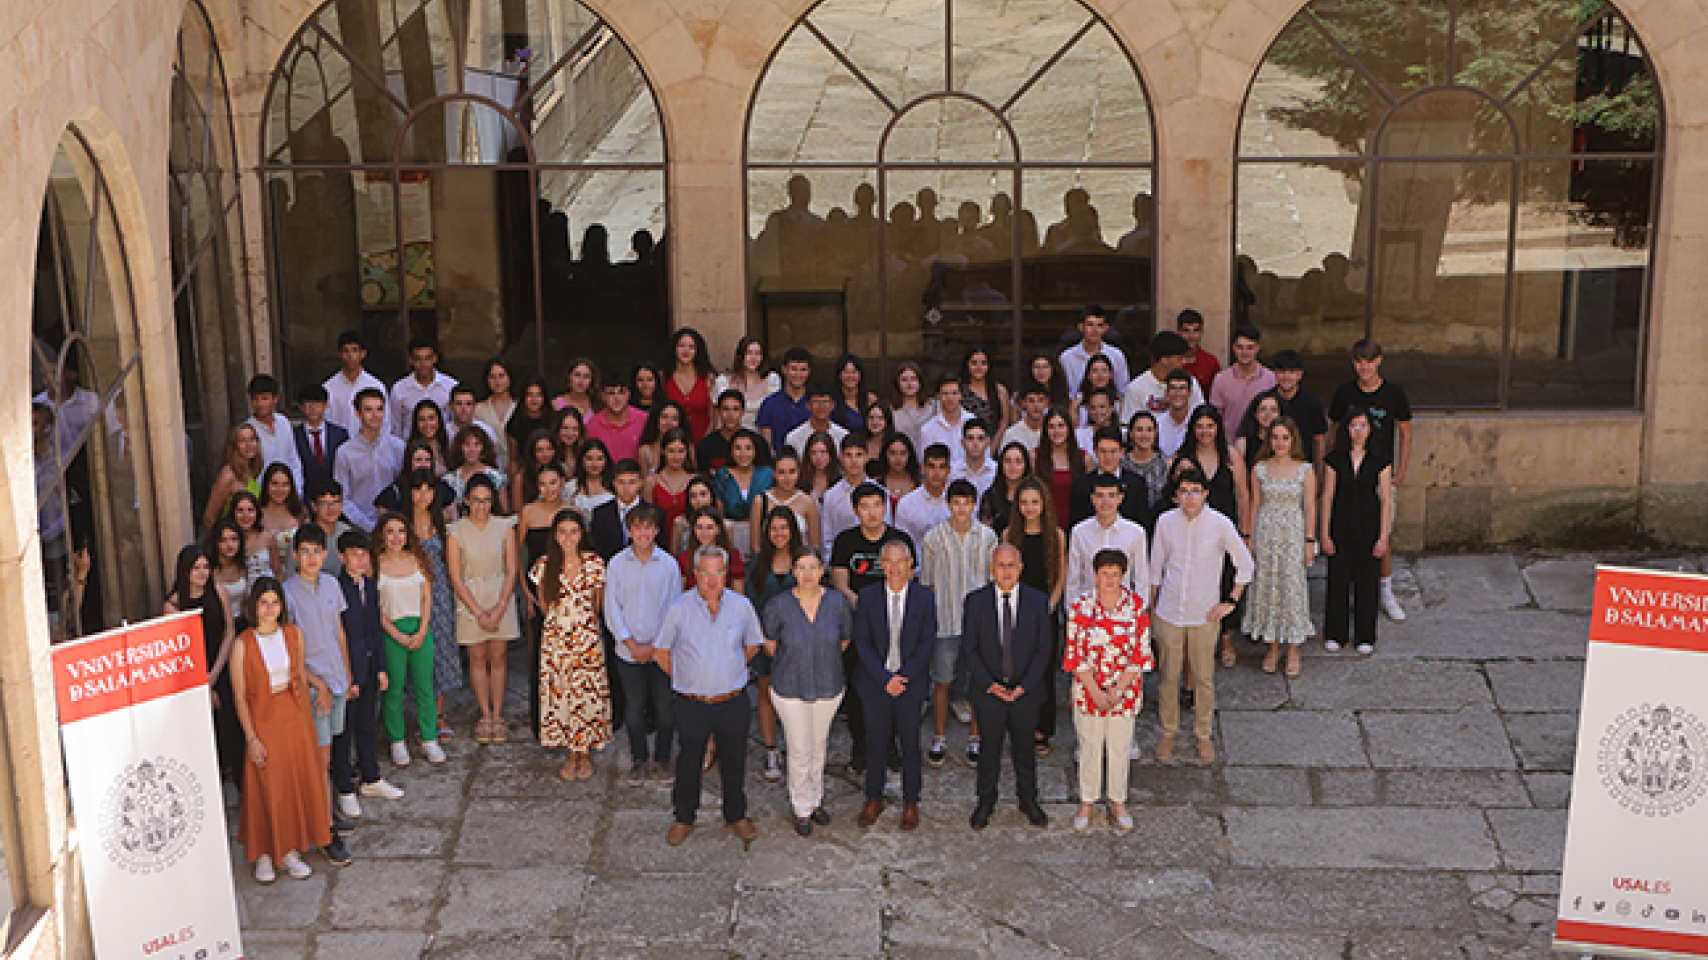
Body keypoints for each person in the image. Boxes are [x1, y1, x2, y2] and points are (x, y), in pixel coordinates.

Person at [654, 546, 764, 845]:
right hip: (693, 703)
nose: (712, 580)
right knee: (689, 762)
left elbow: (753, 644)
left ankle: (736, 814)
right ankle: (684, 817)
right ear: (695, 575)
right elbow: (661, 651)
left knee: (735, 760)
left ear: (726, 574)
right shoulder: (678, 608)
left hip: (732, 700)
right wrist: (686, 677)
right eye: (706, 572)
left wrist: (729, 670)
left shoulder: (741, 606)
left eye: (718, 572)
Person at [1149, 468, 1253, 765]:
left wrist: (1230, 601)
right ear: (1176, 495)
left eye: (1196, 491)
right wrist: (1151, 609)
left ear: (1205, 493)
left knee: (1204, 677)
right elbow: (1155, 569)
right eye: (1184, 491)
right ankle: (1168, 730)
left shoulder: (1220, 524)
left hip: (1204, 613)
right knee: (1168, 677)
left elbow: (1245, 565)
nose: (1190, 497)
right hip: (1169, 611)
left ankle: (1203, 733)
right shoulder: (1165, 522)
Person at [232, 577, 332, 883]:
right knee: (266, 785)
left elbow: (299, 673)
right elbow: (239, 695)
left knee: (292, 784)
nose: (269, 608)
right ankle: (264, 853)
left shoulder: (293, 634)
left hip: (294, 716)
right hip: (263, 719)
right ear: (254, 606)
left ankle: (289, 851)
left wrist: (321, 685)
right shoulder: (243, 644)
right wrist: (251, 737)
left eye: (275, 602)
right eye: (263, 602)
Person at [761, 549, 853, 836]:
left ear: (823, 569)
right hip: (790, 687)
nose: (807, 574)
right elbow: (770, 645)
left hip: (828, 684)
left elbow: (844, 640)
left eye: (813, 567)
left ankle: (816, 801)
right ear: (793, 572)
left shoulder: (837, 603)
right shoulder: (778, 605)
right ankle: (801, 807)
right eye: (801, 568)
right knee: (799, 748)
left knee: (819, 744)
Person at [962, 545, 1053, 829]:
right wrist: (990, 685)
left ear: (1021, 567)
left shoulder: (1037, 602)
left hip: (1026, 693)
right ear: (991, 568)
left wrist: (1024, 686)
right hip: (989, 694)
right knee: (989, 749)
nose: (1006, 571)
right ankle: (985, 800)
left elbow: (1044, 648)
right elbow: (970, 649)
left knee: (1025, 748)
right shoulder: (975, 602)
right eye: (1000, 565)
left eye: (1011, 564)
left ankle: (1028, 799)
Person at [280, 525, 355, 864]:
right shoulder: (287, 593)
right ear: (295, 555)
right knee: (320, 758)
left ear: (325, 555)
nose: (311, 558)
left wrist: (348, 674)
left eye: (317, 551)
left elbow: (339, 630)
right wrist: (316, 683)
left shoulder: (331, 583)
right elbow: (287, 648)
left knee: (332, 748)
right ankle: (325, 830)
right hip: (313, 685)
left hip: (337, 678)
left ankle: (323, 812)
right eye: (305, 551)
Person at [1064, 549, 1152, 832]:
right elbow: (1074, 655)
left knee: (1119, 748)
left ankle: (1118, 801)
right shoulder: (1080, 607)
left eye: (1115, 574)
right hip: (1087, 691)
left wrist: (1116, 691)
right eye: (1105, 574)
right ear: (1095, 575)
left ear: (1123, 575)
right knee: (1089, 747)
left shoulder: (1136, 606)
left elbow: (1141, 654)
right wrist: (1096, 692)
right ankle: (1087, 802)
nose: (1110, 580)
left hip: (1123, 694)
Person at [851, 540, 936, 830]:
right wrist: (885, 678)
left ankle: (911, 801)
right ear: (882, 564)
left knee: (910, 745)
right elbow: (861, 642)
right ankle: (874, 797)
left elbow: (927, 643)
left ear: (911, 563)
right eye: (889, 561)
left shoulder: (924, 598)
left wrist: (903, 677)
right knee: (875, 743)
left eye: (901, 562)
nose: (895, 568)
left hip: (910, 685)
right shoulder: (868, 596)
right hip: (876, 685)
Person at [831, 482, 914, 773]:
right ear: (856, 511)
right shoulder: (846, 541)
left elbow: (908, 581)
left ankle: (890, 748)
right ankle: (861, 748)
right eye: (864, 506)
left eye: (876, 505)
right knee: (859, 689)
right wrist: (868, 608)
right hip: (857, 626)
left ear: (886, 508)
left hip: (894, 625)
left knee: (893, 686)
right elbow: (840, 584)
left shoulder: (899, 539)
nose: (871, 512)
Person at [1327, 339, 1412, 623]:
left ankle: (1385, 591)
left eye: (1368, 360)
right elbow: (1334, 430)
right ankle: (1351, 593)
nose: (1364, 366)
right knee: (1347, 532)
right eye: (1358, 361)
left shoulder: (1394, 394)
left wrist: (1401, 470)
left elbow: (1405, 433)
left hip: (1379, 473)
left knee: (1381, 535)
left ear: (1379, 361)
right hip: (1348, 472)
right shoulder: (1344, 393)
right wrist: (1332, 466)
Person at [919, 480, 996, 767]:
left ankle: (975, 737)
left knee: (978, 681)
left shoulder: (988, 538)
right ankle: (940, 736)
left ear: (974, 505)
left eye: (967, 502)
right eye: (956, 502)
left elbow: (992, 582)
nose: (961, 508)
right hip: (945, 620)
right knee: (942, 681)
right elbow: (927, 583)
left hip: (978, 625)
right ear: (948, 505)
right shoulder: (933, 538)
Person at [530, 508, 610, 779]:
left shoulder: (595, 563)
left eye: (573, 531)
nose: (568, 537)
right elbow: (543, 604)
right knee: (561, 692)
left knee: (586, 693)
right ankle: (570, 751)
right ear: (555, 534)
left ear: (581, 533)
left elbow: (597, 603)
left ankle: (585, 750)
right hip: (555, 638)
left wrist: (581, 626)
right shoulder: (544, 565)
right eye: (562, 531)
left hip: (586, 637)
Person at [604, 504, 682, 785]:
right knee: (634, 708)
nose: (643, 532)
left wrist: (655, 646)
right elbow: (611, 608)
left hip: (660, 651)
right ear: (629, 530)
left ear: (657, 531)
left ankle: (663, 758)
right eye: (637, 527)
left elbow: (674, 609)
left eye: (648, 527)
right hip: (628, 652)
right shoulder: (616, 564)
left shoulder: (668, 564)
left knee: (664, 707)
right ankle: (639, 759)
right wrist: (630, 643)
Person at [332, 529, 405, 820]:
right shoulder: (336, 589)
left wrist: (383, 668)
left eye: (364, 554)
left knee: (366, 725)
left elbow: (375, 629)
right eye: (354, 554)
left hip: (371, 665)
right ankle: (344, 788)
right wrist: (347, 676)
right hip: (348, 669)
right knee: (344, 730)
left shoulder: (371, 586)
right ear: (342, 557)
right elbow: (339, 635)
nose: (361, 559)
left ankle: (371, 778)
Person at [447, 474, 520, 742]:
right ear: (466, 500)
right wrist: (479, 612)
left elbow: (512, 569)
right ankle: (484, 713)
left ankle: (498, 714)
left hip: (501, 594)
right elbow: (456, 577)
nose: (481, 506)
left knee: (498, 658)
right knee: (477, 658)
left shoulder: (505, 526)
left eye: (487, 500)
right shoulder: (455, 532)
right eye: (476, 500)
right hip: (470, 599)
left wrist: (500, 608)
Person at [1243, 417, 1317, 676]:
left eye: (1285, 437)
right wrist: (1250, 538)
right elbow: (1254, 504)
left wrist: (1310, 540)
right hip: (1266, 530)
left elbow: (1309, 507)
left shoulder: (1305, 469)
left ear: (1293, 440)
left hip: (1293, 532)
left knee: (1291, 586)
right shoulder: (1260, 468)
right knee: (1268, 586)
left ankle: (1294, 647)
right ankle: (1272, 646)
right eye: (1275, 437)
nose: (1280, 442)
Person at [1177, 404, 1249, 668]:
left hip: (1226, 531)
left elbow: (1243, 495)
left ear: (1218, 428)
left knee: (1227, 579)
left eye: (1210, 425)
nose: (1205, 431)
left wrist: (1246, 532)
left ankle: (1226, 637)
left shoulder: (1231, 456)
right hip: (1192, 532)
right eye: (1199, 426)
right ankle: (1195, 639)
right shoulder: (1183, 457)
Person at [373, 511, 447, 766]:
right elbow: (376, 607)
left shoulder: (418, 559)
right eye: (390, 531)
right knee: (393, 691)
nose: (396, 537)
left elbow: (427, 597)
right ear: (382, 535)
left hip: (420, 628)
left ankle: (429, 739)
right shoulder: (375, 564)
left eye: (401, 531)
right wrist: (397, 634)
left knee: (425, 688)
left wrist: (422, 630)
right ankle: (397, 741)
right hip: (391, 630)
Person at [164, 545, 242, 787]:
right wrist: (203, 685)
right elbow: (177, 651)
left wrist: (214, 675)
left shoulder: (219, 591)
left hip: (222, 667)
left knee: (233, 726)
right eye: (196, 568)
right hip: (191, 678)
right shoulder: (173, 605)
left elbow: (229, 632)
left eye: (206, 567)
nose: (202, 573)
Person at [1320, 407, 1393, 655]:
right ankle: (1335, 634)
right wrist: (1324, 533)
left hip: (1369, 527)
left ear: (1370, 429)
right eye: (1353, 425)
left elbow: (1385, 500)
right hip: (1340, 525)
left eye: (1363, 425)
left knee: (1367, 582)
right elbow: (1327, 498)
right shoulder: (1334, 460)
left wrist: (1383, 537)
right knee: (1337, 581)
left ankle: (1365, 636)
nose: (1358, 431)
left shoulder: (1380, 460)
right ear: (1346, 429)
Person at [1002, 477, 1067, 754]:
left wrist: (1050, 605)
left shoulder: (1057, 535)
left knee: (1044, 673)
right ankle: (1020, 726)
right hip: (1017, 611)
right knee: (1017, 670)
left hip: (1046, 611)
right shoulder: (1009, 535)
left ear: (1044, 504)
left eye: (1035, 502)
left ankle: (1043, 728)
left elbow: (1060, 574)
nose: (1029, 507)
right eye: (1024, 502)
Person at [746, 506, 802, 782]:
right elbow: (751, 606)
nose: (779, 534)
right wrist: (764, 641)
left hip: (800, 644)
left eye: (784, 528)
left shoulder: (804, 561)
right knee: (766, 693)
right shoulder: (758, 564)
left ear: (793, 531)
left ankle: (797, 749)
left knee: (796, 698)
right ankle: (771, 750)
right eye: (774, 528)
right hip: (766, 642)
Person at [1066, 471, 1150, 605]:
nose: (1105, 502)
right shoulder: (1079, 532)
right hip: (1088, 612)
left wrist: (1138, 612)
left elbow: (1141, 579)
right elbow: (1073, 579)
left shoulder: (1136, 532)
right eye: (1100, 496)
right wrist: (1072, 612)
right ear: (1092, 498)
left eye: (1111, 495)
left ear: (1120, 498)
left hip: (1124, 612)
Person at [1068, 426, 1149, 529]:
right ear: (1095, 452)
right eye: (1103, 451)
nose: (1108, 457)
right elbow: (1075, 525)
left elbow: (1143, 524)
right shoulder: (1080, 485)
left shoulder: (1137, 484)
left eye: (1113, 451)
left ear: (1122, 452)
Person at [712, 429, 773, 558]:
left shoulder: (767, 474)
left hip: (763, 534)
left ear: (755, 451)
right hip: (732, 533)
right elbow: (719, 511)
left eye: (748, 448)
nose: (743, 453)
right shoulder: (723, 474)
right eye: (738, 448)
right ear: (731, 451)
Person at [820, 433, 884, 557]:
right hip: (842, 560)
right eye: (848, 455)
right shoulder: (831, 495)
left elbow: (886, 529)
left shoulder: (880, 492)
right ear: (841, 458)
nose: (854, 461)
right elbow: (827, 537)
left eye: (859, 455)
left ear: (867, 457)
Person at [1120, 330, 1205, 424]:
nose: (1184, 362)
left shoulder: (1191, 383)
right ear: (1164, 360)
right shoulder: (1136, 388)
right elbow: (1127, 423)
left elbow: (1200, 416)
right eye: (1180, 359)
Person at [1267, 350, 1329, 472]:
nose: (1286, 377)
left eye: (1291, 372)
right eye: (1282, 372)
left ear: (1300, 375)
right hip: (1270, 470)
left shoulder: (1312, 403)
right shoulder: (1266, 402)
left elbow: (1319, 441)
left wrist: (1320, 474)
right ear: (1275, 373)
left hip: (1303, 471)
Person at [751, 449, 820, 554]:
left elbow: (815, 546)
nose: (787, 478)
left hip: (800, 564)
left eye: (792, 471)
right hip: (768, 563)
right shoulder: (759, 501)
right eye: (781, 472)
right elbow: (755, 546)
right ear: (774, 473)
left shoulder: (808, 502)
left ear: (799, 472)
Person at [246, 374, 305, 492]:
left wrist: (296, 490)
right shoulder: (248, 430)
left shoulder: (283, 422)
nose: (260, 404)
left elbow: (293, 459)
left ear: (275, 399)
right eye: (255, 399)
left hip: (289, 493)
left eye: (264, 398)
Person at [1209, 325, 1277, 429]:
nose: (1244, 352)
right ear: (1233, 348)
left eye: (1250, 347)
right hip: (1230, 443)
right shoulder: (1221, 379)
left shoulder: (1271, 379)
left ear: (1258, 348)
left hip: (1262, 443)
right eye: (1240, 347)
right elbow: (1216, 416)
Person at [389, 340, 457, 441]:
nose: (423, 364)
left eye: (427, 358)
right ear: (411, 360)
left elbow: (455, 420)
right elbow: (396, 426)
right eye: (418, 359)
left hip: (443, 446)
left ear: (435, 358)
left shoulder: (450, 386)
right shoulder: (399, 389)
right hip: (410, 447)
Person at [323, 331, 386, 436]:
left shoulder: (376, 385)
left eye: (355, 350)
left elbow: (385, 423)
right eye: (346, 351)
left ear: (363, 353)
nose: (350, 355)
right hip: (339, 447)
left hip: (369, 446)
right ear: (339, 354)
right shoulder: (329, 387)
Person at [1059, 306, 1130, 399]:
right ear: (1081, 327)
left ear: (1105, 328)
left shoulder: (1117, 356)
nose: (1094, 330)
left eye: (1099, 325)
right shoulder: (1066, 358)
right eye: (1090, 325)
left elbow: (1123, 391)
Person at [204, 423, 264, 529]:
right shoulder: (228, 475)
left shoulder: (250, 470)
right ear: (234, 445)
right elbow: (209, 517)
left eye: (252, 439)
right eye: (242, 441)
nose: (249, 444)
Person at [714, 335, 781, 430]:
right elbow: (718, 421)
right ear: (740, 356)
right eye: (749, 353)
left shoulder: (772, 380)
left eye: (758, 354)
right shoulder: (723, 382)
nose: (753, 358)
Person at [294, 384, 348, 495]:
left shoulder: (340, 435)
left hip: (335, 499)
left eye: (317, 403)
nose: (313, 408)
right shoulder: (294, 437)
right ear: (301, 407)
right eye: (308, 403)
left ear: (326, 405)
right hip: (306, 500)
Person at [895, 442, 952, 545]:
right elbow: (902, 544)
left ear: (948, 470)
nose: (936, 473)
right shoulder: (907, 504)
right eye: (931, 466)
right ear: (923, 468)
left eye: (942, 467)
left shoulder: (960, 502)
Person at [442, 426, 509, 514]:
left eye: (476, 444)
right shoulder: (449, 480)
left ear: (483, 447)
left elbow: (504, 513)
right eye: (467, 445)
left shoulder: (498, 478)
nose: (471, 450)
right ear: (460, 447)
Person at [679, 506, 747, 593]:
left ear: (718, 529)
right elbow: (682, 594)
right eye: (699, 527)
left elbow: (739, 594)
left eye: (709, 527)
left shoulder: (733, 555)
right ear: (694, 530)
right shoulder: (685, 558)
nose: (705, 533)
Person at [756, 346, 813, 449]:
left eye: (803, 370)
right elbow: (767, 446)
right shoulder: (769, 405)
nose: (798, 374)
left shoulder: (816, 403)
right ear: (784, 369)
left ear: (809, 372)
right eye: (794, 369)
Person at [1036, 409, 1084, 529]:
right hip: (1045, 523)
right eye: (1051, 426)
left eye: (1061, 426)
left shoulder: (1084, 458)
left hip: (1076, 522)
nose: (1056, 431)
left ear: (1069, 429)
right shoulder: (1034, 457)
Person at [666, 327, 717, 439]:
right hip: (672, 445)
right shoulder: (664, 377)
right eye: (682, 346)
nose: (686, 351)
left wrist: (705, 442)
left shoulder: (708, 378)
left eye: (691, 347)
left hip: (703, 440)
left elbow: (714, 418)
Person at [645, 427, 697, 538]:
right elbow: (648, 519)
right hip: (659, 542)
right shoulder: (651, 482)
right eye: (671, 451)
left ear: (687, 452)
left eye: (681, 451)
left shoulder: (694, 480)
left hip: (688, 541)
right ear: (663, 451)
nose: (676, 457)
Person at [591, 459, 647, 560]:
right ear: (614, 483)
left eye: (632, 482)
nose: (626, 488)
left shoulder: (655, 513)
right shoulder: (601, 513)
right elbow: (597, 550)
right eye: (621, 482)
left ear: (640, 483)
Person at [586, 376, 647, 464]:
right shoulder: (592, 426)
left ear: (629, 394)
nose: (617, 398)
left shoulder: (644, 420)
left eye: (621, 392)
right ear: (603, 396)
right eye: (611, 393)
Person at [1122, 411, 1169, 525]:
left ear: (1155, 433)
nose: (1144, 435)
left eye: (1149, 430)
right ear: (1130, 433)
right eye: (1139, 430)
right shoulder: (1120, 463)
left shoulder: (1166, 464)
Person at [979, 441, 1033, 536]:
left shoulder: (1035, 494)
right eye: (1007, 461)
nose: (1013, 466)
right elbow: (985, 535)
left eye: (1018, 461)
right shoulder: (990, 496)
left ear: (1026, 465)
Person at [919, 376, 975, 468]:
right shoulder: (928, 429)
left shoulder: (974, 423)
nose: (950, 398)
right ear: (938, 396)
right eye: (945, 394)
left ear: (961, 395)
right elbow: (924, 464)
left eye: (954, 393)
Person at [784, 382, 848, 460]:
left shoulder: (843, 436)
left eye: (825, 402)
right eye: (816, 402)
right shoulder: (793, 438)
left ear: (832, 405)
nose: (821, 406)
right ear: (808, 405)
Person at [506, 378, 554, 480]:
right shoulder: (514, 424)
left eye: (538, 395)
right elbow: (514, 459)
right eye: (530, 395)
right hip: (526, 473)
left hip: (553, 471)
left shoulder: (554, 421)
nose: (534, 399)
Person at [475, 358, 517, 473]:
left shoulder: (519, 407)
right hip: (488, 468)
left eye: (501, 376)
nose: (497, 381)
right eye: (492, 377)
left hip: (516, 468)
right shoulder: (477, 409)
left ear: (509, 378)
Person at [960, 347, 1010, 436]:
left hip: (992, 444)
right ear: (967, 364)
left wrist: (991, 447)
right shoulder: (958, 390)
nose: (978, 367)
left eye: (983, 363)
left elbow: (1004, 422)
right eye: (974, 363)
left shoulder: (999, 390)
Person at [697, 389, 748, 471]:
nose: (730, 415)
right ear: (718, 411)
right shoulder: (706, 445)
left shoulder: (756, 442)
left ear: (743, 412)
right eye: (725, 409)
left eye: (735, 409)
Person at [1176, 309, 1220, 395]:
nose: (1191, 336)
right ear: (1178, 332)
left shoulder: (1211, 363)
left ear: (1201, 332)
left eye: (1196, 330)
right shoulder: (1166, 360)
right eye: (1186, 330)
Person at [831, 354, 878, 432]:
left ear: (860, 374)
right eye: (846, 372)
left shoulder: (871, 399)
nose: (850, 376)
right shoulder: (831, 401)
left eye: (854, 372)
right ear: (839, 375)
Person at [952, 418, 997, 501]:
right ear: (963, 443)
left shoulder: (996, 471)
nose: (975, 443)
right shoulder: (952, 472)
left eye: (980, 438)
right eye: (970, 438)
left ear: (987, 442)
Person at [1155, 369, 1197, 457]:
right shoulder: (1156, 425)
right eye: (1173, 388)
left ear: (1190, 393)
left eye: (1182, 388)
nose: (1178, 393)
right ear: (1166, 393)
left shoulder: (1198, 425)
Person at [405, 398, 450, 476]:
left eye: (431, 418)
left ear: (439, 420)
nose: (427, 424)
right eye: (422, 419)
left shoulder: (449, 446)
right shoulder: (406, 448)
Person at [1001, 381, 1048, 453]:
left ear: (1046, 402)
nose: (1036, 405)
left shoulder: (1053, 430)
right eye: (1031, 401)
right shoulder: (1012, 434)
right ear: (1023, 403)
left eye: (1040, 400)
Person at [573, 439, 617, 518]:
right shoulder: (570, 487)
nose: (594, 464)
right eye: (589, 458)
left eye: (599, 459)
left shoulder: (615, 485)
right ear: (582, 460)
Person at [878, 434, 921, 504]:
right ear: (886, 454)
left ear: (909, 455)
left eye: (903, 453)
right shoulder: (876, 483)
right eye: (893, 453)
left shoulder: (919, 484)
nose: (898, 458)